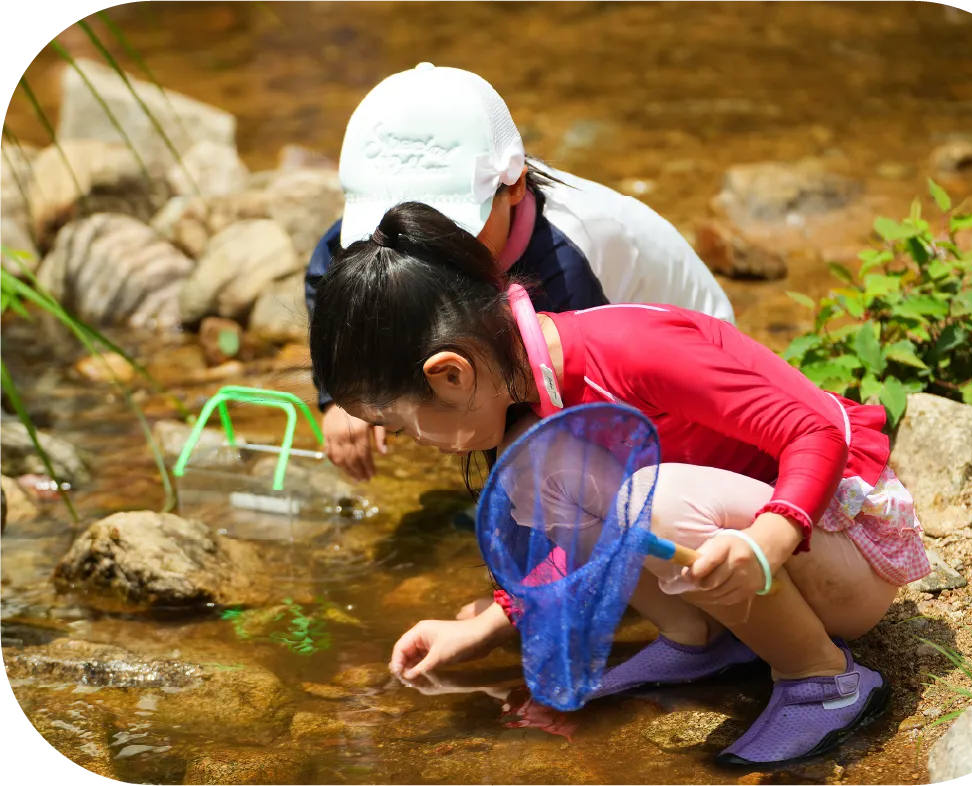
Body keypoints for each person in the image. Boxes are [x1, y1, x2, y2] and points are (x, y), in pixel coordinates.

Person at [307, 202, 933, 765]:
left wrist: (768, 539)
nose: (415, 443)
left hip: (843, 545)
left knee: (647, 497)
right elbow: (577, 538)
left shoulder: (628, 351)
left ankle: (823, 681)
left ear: (450, 375)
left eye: (403, 426)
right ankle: (701, 637)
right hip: (754, 559)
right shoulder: (530, 395)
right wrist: (489, 625)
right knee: (539, 470)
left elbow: (816, 432)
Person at [304, 62, 734, 484]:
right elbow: (333, 285)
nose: (428, 249)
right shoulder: (385, 232)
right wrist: (345, 394)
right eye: (412, 230)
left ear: (514, 186)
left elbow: (573, 394)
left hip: (678, 395)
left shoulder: (571, 256)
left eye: (456, 231)